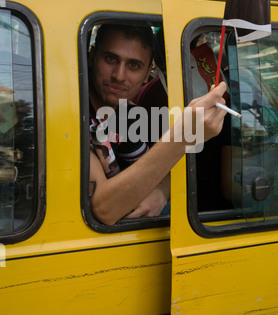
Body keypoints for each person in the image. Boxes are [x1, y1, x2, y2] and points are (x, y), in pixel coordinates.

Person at [89, 24, 227, 226]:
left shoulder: (126, 115)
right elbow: (104, 209)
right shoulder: (73, 111)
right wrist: (184, 136)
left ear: (148, 73)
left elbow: (157, 167)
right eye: (111, 59)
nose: (119, 75)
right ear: (92, 57)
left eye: (134, 65)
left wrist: (160, 192)